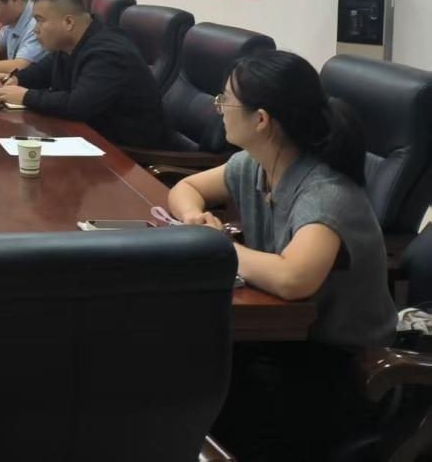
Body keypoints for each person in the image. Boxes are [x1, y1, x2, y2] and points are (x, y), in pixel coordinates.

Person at [168, 50, 395, 460]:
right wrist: (193, 217)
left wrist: (219, 247)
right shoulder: (254, 165)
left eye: (224, 101)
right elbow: (187, 189)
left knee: (196, 393)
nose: (217, 109)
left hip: (339, 367)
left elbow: (294, 279)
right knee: (182, 366)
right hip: (281, 340)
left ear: (261, 119)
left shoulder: (325, 192)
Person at [0, 0, 168, 150]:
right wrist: (17, 79)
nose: (35, 29)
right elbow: (44, 70)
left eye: (40, 20)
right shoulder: (71, 43)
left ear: (68, 22)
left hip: (125, 154)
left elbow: (79, 105)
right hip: (90, 138)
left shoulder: (108, 52)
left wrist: (26, 96)